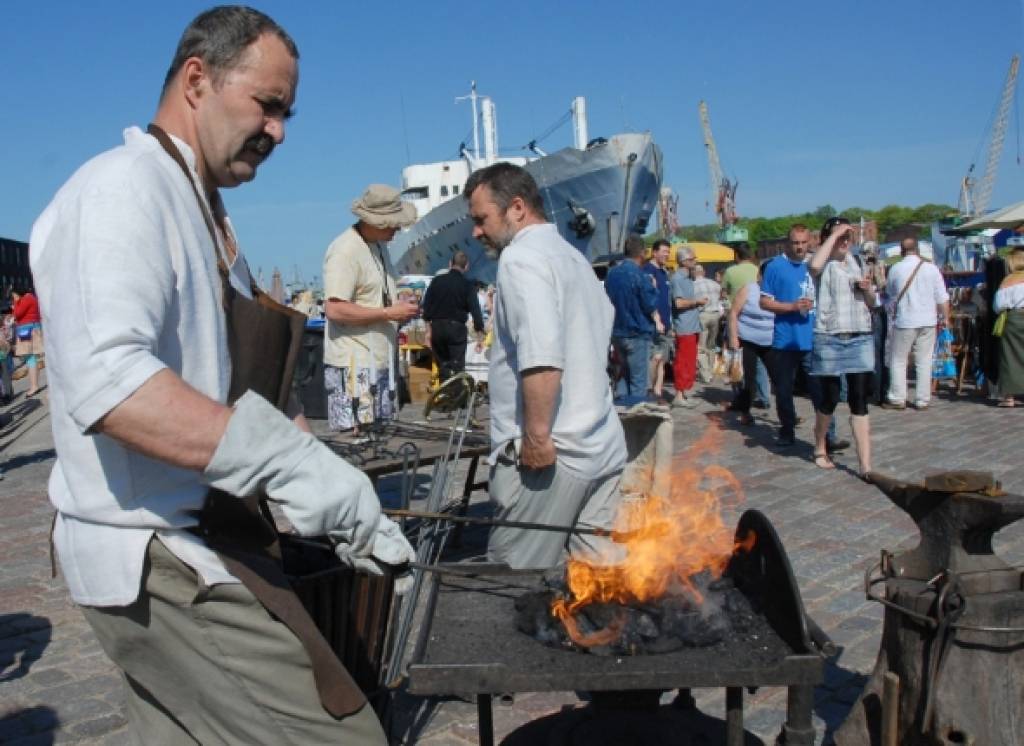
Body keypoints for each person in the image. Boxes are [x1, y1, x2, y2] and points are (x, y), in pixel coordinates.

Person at [29, 8, 410, 743]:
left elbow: (241, 385)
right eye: (267, 105)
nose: (279, 131)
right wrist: (292, 465)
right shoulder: (120, 190)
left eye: (286, 113)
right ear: (197, 79)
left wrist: (325, 475)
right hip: (154, 548)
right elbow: (111, 385)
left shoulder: (206, 210)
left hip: (212, 534)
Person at [464, 162, 627, 570]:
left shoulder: (521, 259)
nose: (476, 232)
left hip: (557, 454)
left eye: (481, 219)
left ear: (516, 208)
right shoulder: (573, 258)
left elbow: (542, 356)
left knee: (514, 584)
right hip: (603, 445)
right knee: (597, 580)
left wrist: (536, 437)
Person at [323, 184, 419, 435]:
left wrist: (398, 301)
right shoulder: (345, 251)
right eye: (393, 223)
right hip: (355, 365)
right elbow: (334, 310)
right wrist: (388, 313)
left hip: (378, 360)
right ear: (375, 222)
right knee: (357, 442)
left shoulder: (378, 245)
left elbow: (373, 294)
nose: (398, 228)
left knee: (380, 438)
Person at [807, 218, 878, 476]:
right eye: (840, 236)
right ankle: (819, 446)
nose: (845, 241)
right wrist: (834, 234)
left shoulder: (856, 262)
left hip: (859, 335)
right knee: (830, 398)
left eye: (848, 236)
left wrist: (867, 290)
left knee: (859, 399)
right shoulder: (824, 262)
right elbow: (813, 266)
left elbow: (871, 301)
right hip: (829, 337)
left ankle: (865, 465)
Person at [760, 225, 838, 448]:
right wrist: (791, 306)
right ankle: (786, 430)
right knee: (784, 390)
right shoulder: (775, 266)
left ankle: (827, 436)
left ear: (810, 242)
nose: (800, 247)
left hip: (814, 337)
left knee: (820, 390)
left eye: (804, 242)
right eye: (796, 242)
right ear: (788, 243)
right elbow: (764, 302)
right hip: (785, 339)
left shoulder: (816, 264)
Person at [882, 237, 950, 410]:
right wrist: (946, 318)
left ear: (901, 250)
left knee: (898, 360)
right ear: (918, 250)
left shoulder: (896, 269)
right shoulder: (932, 269)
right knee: (924, 360)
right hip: (928, 319)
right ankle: (922, 399)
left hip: (905, 320)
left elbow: (890, 293)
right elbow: (942, 297)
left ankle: (898, 397)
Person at [606, 234, 661, 405]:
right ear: (642, 253)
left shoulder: (612, 274)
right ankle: (636, 415)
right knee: (638, 380)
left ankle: (621, 409)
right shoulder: (640, 275)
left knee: (623, 374)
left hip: (617, 331)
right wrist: (654, 287)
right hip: (637, 331)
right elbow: (649, 304)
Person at [421, 250, 485, 380]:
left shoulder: (436, 281)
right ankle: (456, 398)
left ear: (450, 263)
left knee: (443, 367)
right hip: (456, 329)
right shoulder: (468, 285)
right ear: (466, 266)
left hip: (438, 327)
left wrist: (428, 332)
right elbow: (476, 313)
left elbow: (426, 308)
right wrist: (479, 337)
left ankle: (444, 397)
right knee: (457, 368)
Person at [727, 264, 775, 425]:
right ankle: (745, 412)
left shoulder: (778, 290)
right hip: (747, 339)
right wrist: (733, 337)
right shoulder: (749, 289)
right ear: (760, 275)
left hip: (771, 340)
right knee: (749, 377)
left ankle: (788, 415)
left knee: (779, 377)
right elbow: (733, 313)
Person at [722, 242, 769, 407]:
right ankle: (763, 396)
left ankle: (740, 398)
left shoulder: (730, 271)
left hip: (739, 320)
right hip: (759, 319)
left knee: (735, 362)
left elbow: (724, 294)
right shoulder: (758, 270)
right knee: (760, 365)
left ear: (736, 256)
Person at [671, 246, 705, 408]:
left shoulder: (687, 278)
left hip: (692, 325)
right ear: (684, 261)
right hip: (684, 326)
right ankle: (679, 394)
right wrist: (696, 302)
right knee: (683, 361)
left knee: (689, 361)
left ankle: (684, 392)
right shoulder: (678, 279)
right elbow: (678, 303)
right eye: (692, 259)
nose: (695, 261)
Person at [643, 239, 673, 403]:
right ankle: (649, 390)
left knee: (662, 360)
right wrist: (657, 320)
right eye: (664, 251)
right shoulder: (648, 271)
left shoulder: (664, 272)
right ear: (654, 252)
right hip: (654, 323)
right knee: (654, 358)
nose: (666, 255)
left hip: (666, 323)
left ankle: (658, 391)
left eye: (668, 252)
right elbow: (648, 298)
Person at [993, 246, 1024, 406]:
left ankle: (1009, 397)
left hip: (1014, 319)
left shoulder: (1008, 281)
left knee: (1010, 356)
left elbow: (998, 306)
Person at [11, 285, 44, 397]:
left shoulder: (26, 299)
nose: (14, 297)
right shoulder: (31, 298)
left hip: (27, 330)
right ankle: (35, 385)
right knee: (32, 358)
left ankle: (34, 386)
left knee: (30, 358)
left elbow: (17, 314)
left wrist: (15, 303)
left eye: (14, 295)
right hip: (32, 328)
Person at [693, 263, 723, 383]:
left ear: (694, 273)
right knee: (711, 344)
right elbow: (721, 296)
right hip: (715, 315)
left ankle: (705, 374)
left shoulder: (692, 285)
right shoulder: (714, 284)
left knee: (700, 347)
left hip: (702, 315)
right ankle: (710, 370)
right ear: (704, 272)